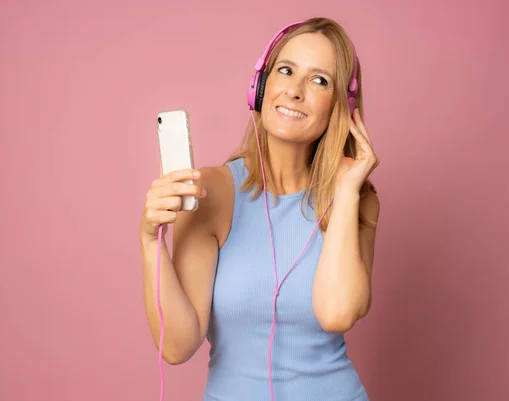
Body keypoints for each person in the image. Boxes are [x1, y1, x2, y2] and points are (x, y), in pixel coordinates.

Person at [141, 16, 380, 401]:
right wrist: (151, 241)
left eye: (319, 80)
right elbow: (177, 346)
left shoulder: (358, 199)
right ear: (260, 86)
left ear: (341, 107)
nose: (294, 91)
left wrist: (348, 190)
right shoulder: (211, 192)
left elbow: (337, 314)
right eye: (285, 70)